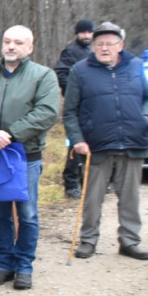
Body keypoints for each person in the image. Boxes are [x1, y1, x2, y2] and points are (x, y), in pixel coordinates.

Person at [0, 25, 61, 291]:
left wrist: (10, 134)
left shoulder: (43, 76)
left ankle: (24, 266)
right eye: (7, 41)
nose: (11, 46)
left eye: (18, 42)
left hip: (27, 154)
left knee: (28, 213)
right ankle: (4, 264)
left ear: (30, 48)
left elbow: (47, 112)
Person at [65, 22, 148, 261]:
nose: (105, 48)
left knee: (130, 198)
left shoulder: (135, 65)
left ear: (120, 45)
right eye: (99, 44)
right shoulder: (80, 71)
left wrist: (147, 117)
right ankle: (88, 240)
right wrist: (77, 140)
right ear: (93, 46)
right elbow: (70, 111)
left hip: (133, 141)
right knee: (92, 198)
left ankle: (130, 241)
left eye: (110, 43)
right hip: (96, 146)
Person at [54, 19, 94, 198]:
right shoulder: (71, 51)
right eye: (83, 32)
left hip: (92, 106)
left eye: (89, 32)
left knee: (91, 144)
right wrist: (72, 92)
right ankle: (70, 184)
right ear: (77, 33)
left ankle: (88, 182)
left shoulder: (93, 50)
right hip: (75, 108)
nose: (86, 35)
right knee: (73, 144)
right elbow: (61, 72)